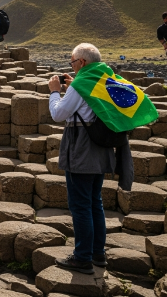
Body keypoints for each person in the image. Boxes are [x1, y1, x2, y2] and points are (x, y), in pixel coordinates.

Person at [48, 43, 150, 274]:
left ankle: (82, 257)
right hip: (102, 149)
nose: (72, 67)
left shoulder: (82, 83)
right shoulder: (106, 80)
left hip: (82, 150)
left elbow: (58, 114)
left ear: (82, 62)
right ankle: (98, 254)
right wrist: (75, 87)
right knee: (95, 203)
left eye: (72, 62)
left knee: (80, 206)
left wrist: (55, 91)